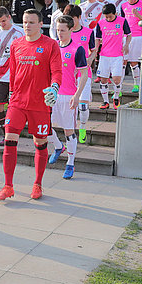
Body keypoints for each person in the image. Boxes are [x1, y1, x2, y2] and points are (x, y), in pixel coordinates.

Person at [0, 9, 62, 201]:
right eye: (25, 22)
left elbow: (57, 72)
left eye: (31, 22)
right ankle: (8, 186)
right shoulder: (16, 45)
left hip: (40, 103)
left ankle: (37, 184)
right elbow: (13, 73)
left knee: (40, 143)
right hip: (17, 102)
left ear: (41, 24)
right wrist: (11, 94)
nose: (27, 26)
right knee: (9, 139)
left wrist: (54, 88)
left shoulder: (51, 45)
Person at [46, 15, 88, 179]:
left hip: (69, 95)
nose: (59, 33)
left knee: (68, 131)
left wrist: (77, 95)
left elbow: (84, 73)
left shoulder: (77, 49)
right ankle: (58, 146)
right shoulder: (53, 46)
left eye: (63, 30)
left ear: (71, 29)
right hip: (52, 94)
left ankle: (70, 163)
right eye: (57, 30)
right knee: (44, 128)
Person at [0, 6, 24, 146]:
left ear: (9, 17)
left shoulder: (20, 32)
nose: (2, 24)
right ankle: (5, 135)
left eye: (4, 21)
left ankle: (14, 134)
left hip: (16, 76)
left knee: (15, 108)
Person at [63, 4, 96, 143]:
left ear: (79, 18)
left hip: (84, 74)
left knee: (83, 105)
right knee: (71, 105)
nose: (70, 21)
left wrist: (89, 58)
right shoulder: (64, 32)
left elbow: (94, 50)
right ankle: (72, 131)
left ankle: (82, 127)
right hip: (68, 75)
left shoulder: (88, 32)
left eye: (73, 18)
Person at [95, 3, 131, 109]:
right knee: (103, 79)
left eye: (110, 16)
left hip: (117, 55)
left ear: (115, 13)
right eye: (106, 16)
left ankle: (116, 98)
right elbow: (97, 38)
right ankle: (105, 101)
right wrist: (96, 49)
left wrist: (127, 45)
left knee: (116, 79)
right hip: (104, 55)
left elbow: (129, 34)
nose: (108, 18)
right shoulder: (100, 23)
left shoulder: (122, 21)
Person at [121, 0, 142, 93]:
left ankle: (138, 84)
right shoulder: (123, 5)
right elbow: (123, 21)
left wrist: (138, 15)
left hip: (139, 36)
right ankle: (119, 86)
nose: (131, 0)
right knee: (124, 61)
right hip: (127, 36)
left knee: (135, 61)